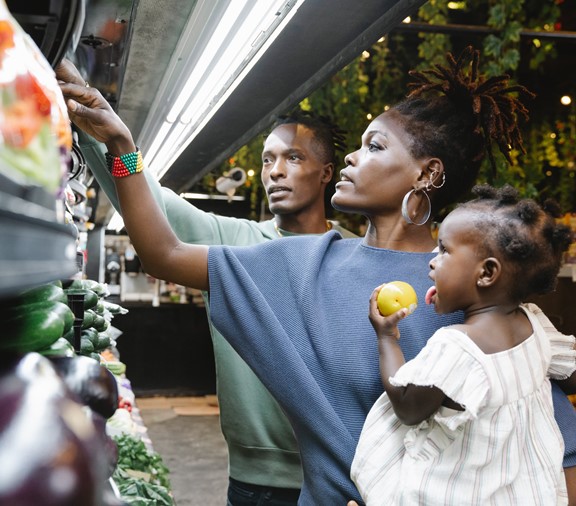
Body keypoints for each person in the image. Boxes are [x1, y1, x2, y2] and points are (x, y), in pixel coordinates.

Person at [57, 46, 576, 504]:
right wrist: (122, 147)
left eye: (375, 146)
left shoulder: (476, 291)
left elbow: (560, 449)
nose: (350, 155)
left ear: (427, 173)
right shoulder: (302, 262)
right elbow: (164, 252)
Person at [56, 58, 356, 505]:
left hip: (342, 481)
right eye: (268, 158)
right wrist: (102, 127)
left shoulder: (357, 256)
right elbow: (145, 199)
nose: (275, 171)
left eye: (293, 158)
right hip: (253, 483)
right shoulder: (236, 241)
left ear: (327, 172)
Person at [351, 184, 576, 505]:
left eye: (443, 250)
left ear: (486, 273)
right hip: (519, 491)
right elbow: (571, 373)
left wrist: (387, 338)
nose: (431, 261)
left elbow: (408, 408)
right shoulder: (535, 324)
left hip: (456, 492)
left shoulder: (457, 347)